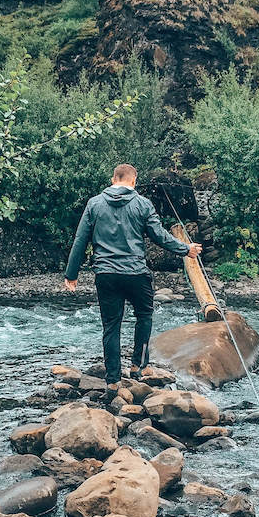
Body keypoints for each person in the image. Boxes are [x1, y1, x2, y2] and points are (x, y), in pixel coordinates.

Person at [64, 163, 202, 395]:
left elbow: (80, 239)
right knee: (144, 316)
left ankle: (112, 381)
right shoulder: (142, 204)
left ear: (113, 179)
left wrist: (71, 274)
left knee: (111, 326)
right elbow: (160, 236)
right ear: (133, 181)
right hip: (136, 273)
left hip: (106, 274)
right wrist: (185, 249)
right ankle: (139, 365)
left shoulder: (94, 204)